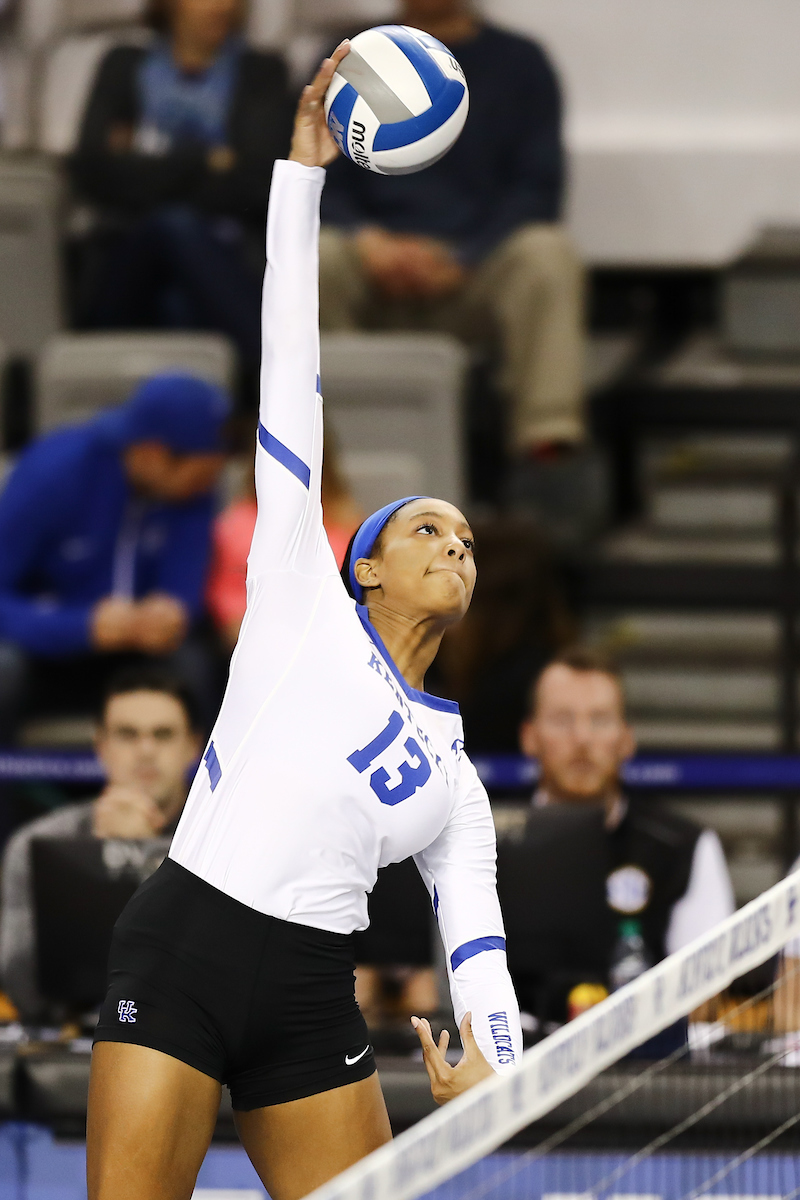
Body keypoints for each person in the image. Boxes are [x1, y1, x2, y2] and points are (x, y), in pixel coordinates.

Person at [86, 50, 521, 1200]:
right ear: (362, 566)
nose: (454, 545)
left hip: (308, 997)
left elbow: (472, 934)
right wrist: (300, 175)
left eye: (466, 538)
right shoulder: (296, 595)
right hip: (184, 947)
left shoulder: (453, 779)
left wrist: (503, 1068)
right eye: (426, 529)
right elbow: (292, 367)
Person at [320, 0, 585, 463]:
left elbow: (537, 189)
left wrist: (467, 257)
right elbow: (315, 172)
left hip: (474, 271)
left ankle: (547, 446)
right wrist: (367, 239)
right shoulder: (351, 57)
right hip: (373, 265)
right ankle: (336, 441)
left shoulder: (521, 62)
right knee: (314, 255)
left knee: (546, 254)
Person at [67, 0, 294, 382]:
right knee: (173, 226)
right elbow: (93, 172)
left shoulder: (263, 72)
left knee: (179, 296)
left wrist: (144, 162)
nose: (223, 7)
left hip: (228, 257)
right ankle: (280, 380)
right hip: (126, 262)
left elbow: (257, 185)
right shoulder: (123, 65)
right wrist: (208, 160)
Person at [509, 646, 735, 1027]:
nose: (582, 738)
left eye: (599, 720)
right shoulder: (483, 840)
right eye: (562, 720)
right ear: (530, 737)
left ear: (626, 739)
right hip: (506, 1060)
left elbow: (706, 998)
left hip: (643, 1070)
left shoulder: (682, 847)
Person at [0, 373, 229, 741]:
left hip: (139, 656)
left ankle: (200, 796)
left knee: (198, 664)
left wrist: (173, 611)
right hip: (45, 654)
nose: (205, 486)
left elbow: (185, 581)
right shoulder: (52, 474)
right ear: (152, 454)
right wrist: (81, 626)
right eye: (200, 475)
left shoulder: (196, 492)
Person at [0, 666, 200, 1024]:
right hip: (68, 1036)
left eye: (164, 734)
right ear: (101, 745)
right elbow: (21, 988)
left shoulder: (219, 844)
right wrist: (97, 859)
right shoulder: (37, 843)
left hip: (190, 1039)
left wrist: (145, 858)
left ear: (192, 746)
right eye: (127, 734)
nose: (146, 750)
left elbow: (216, 974)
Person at [206, 438, 363, 651]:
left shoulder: (347, 521)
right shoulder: (235, 524)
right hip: (257, 643)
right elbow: (229, 600)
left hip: (331, 642)